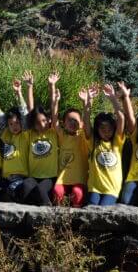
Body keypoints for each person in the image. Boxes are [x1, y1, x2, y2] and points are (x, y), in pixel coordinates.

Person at [0, 75, 29, 202]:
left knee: (12, 189)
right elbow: (2, 118)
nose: (14, 126)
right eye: (11, 124)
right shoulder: (7, 136)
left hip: (19, 178)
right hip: (5, 178)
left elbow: (24, 113)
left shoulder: (25, 135)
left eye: (17, 123)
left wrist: (19, 93)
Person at [50, 72, 89, 207]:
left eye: (76, 121)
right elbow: (54, 121)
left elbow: (87, 121)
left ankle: (75, 221)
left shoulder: (83, 137)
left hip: (79, 178)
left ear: (81, 123)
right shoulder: (62, 136)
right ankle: (59, 219)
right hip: (63, 178)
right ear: (64, 123)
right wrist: (54, 96)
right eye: (69, 121)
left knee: (77, 193)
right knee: (57, 191)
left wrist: (86, 103)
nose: (73, 123)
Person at [22, 71, 58, 206]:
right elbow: (31, 110)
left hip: (50, 176)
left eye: (44, 120)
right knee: (25, 186)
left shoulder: (53, 132)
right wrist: (29, 86)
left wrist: (52, 86)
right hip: (34, 176)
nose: (42, 124)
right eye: (38, 122)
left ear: (48, 120)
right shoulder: (31, 134)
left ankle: (48, 218)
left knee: (41, 190)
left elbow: (54, 107)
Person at [86, 83, 126, 206]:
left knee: (104, 211)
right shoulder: (93, 142)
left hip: (112, 188)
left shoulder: (116, 142)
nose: (106, 133)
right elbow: (86, 119)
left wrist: (113, 97)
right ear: (97, 130)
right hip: (94, 187)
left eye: (109, 130)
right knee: (91, 211)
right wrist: (89, 100)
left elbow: (121, 118)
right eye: (103, 130)